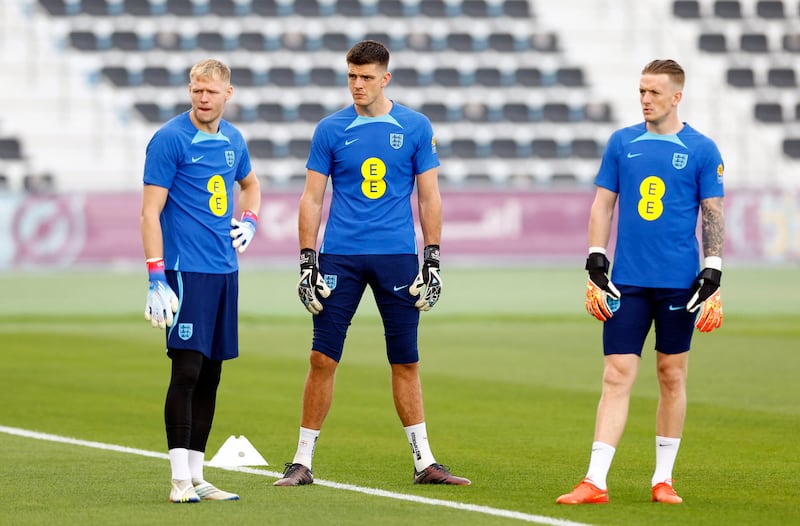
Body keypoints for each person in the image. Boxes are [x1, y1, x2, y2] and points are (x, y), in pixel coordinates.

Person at [273, 40, 470, 487]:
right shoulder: (330, 129)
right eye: (351, 77)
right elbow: (311, 198)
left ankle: (425, 463)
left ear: (386, 78)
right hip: (340, 256)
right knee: (322, 357)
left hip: (397, 257)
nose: (357, 85)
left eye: (365, 78)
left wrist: (432, 260)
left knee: (406, 359)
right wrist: (308, 262)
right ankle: (302, 461)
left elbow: (429, 196)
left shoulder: (416, 126)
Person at [556, 59, 725, 505]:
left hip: (678, 284)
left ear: (676, 96)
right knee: (616, 373)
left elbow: (712, 212)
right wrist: (596, 257)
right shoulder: (622, 142)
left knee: (671, 374)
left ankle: (663, 480)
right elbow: (602, 204)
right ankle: (594, 481)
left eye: (654, 92)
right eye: (642, 91)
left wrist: (714, 267)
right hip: (627, 281)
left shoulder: (703, 149)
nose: (645, 99)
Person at [140, 58, 261, 503]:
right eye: (196, 90)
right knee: (187, 370)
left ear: (227, 93)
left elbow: (251, 185)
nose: (202, 98)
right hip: (185, 271)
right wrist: (156, 277)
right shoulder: (171, 139)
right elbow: (149, 211)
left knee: (212, 374)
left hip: (224, 271)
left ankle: (197, 474)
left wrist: (249, 219)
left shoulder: (233, 140)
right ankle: (177, 481)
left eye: (210, 91)